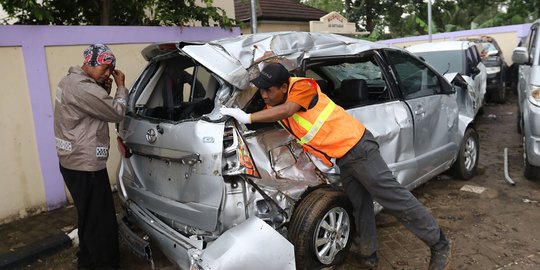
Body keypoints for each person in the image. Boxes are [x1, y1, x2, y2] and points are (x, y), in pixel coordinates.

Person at [220, 63, 451, 270]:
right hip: (345, 156)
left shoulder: (301, 87)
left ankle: (439, 243)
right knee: (360, 205)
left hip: (359, 149)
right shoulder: (278, 100)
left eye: (269, 90)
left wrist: (247, 117)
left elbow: (289, 109)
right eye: (261, 90)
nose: (264, 95)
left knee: (395, 198)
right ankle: (368, 255)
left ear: (283, 86)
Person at [54, 44, 128, 269]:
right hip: (85, 165)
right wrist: (121, 86)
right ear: (91, 62)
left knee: (88, 216)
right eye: (105, 68)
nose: (107, 73)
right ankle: (103, 263)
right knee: (101, 220)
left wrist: (102, 87)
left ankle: (86, 261)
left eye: (110, 70)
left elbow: (93, 108)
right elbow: (116, 111)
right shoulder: (83, 87)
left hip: (72, 161)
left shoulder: (69, 81)